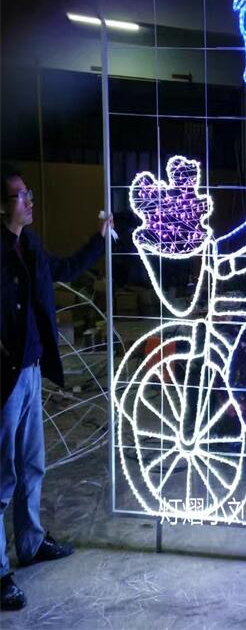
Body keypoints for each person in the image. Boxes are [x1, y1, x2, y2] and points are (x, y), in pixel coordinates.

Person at [0, 167, 112, 611]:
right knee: (2, 476)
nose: (29, 200)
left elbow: (63, 269)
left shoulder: (29, 245)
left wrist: (99, 241)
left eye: (29, 193)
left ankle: (29, 543)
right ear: (2, 206)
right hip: (5, 377)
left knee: (31, 465)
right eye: (20, 196)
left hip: (29, 371)